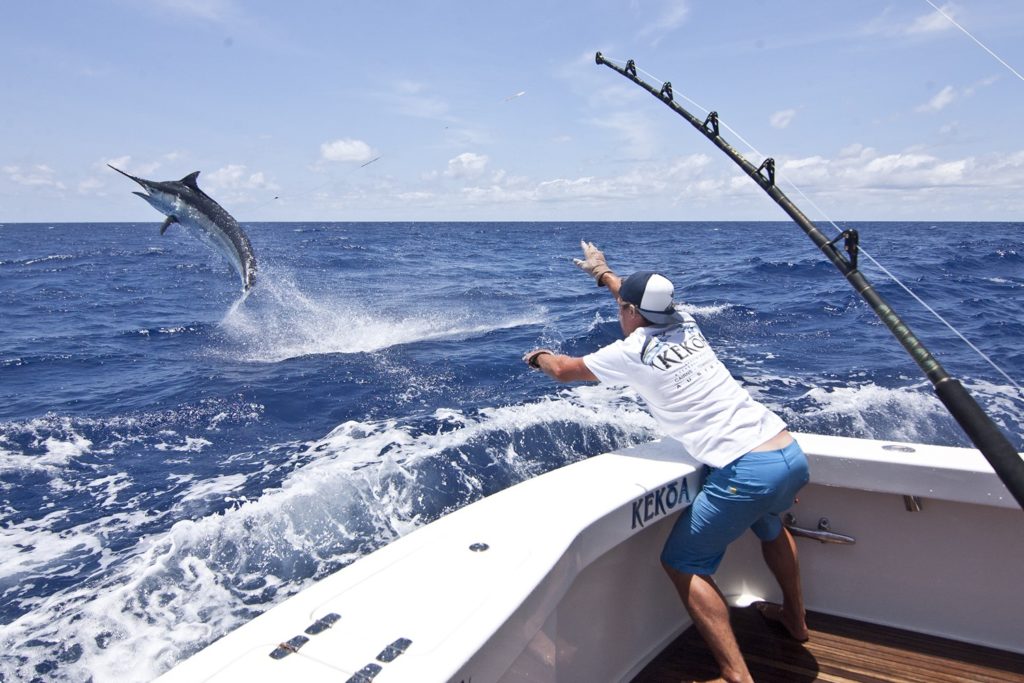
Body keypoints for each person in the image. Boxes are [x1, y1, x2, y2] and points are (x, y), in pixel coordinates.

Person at [523, 241, 810, 683]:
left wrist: (537, 356)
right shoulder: (686, 320)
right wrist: (602, 272)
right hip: (786, 451)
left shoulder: (632, 352)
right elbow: (631, 294)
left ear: (633, 315)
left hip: (745, 470)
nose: (621, 310)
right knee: (772, 527)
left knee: (682, 564)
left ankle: (737, 676)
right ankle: (796, 620)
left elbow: (563, 370)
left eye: (623, 308)